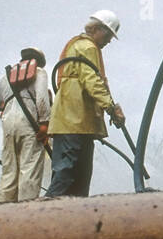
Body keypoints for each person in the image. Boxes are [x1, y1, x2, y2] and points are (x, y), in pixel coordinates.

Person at [46, 11, 124, 197]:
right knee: (66, 175)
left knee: (79, 178)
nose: (109, 41)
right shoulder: (87, 47)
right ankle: (43, 218)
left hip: (78, 123)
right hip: (72, 122)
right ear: (96, 29)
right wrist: (111, 108)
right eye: (108, 35)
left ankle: (74, 221)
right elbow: (92, 82)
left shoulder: (79, 46)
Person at [0, 46, 52, 201]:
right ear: (39, 62)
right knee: (30, 168)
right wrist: (45, 123)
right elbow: (41, 98)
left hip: (7, 125)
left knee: (8, 170)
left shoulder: (5, 76)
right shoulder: (39, 72)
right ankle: (26, 211)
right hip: (29, 124)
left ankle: (2, 210)